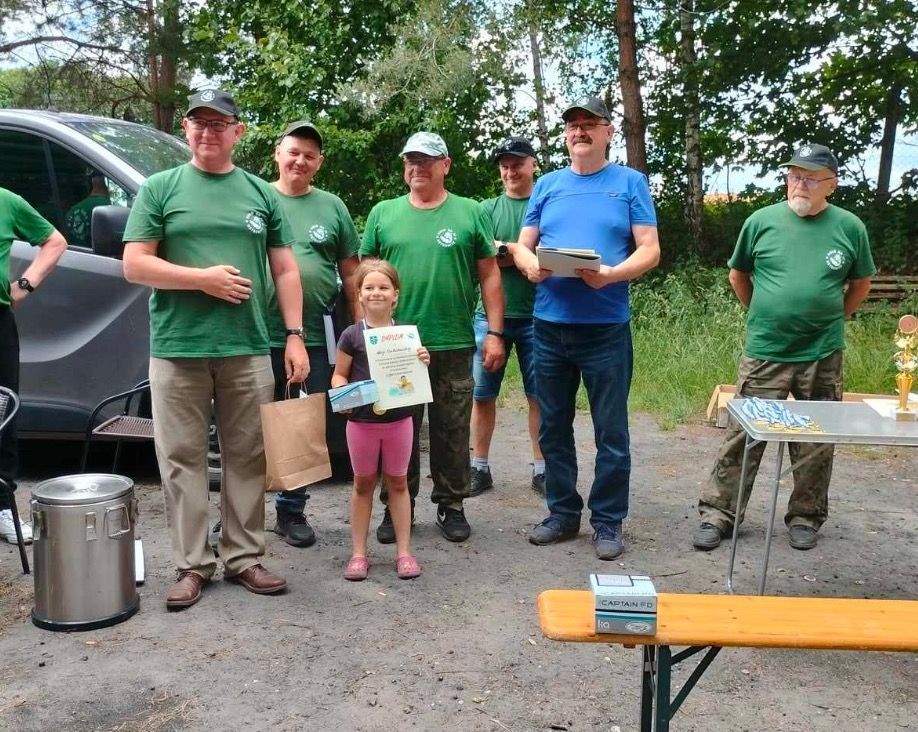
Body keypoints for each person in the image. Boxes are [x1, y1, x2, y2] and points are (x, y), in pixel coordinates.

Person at [122, 88, 308, 610]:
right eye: (198, 122)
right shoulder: (160, 188)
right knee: (180, 458)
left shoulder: (259, 193)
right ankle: (191, 565)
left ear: (237, 132)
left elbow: (286, 269)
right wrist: (200, 279)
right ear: (186, 129)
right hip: (178, 347)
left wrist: (294, 334)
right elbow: (135, 264)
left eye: (218, 123)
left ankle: (244, 557)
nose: (208, 131)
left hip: (247, 346)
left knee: (247, 455)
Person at [693, 143, 874, 552]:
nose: (800, 184)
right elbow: (738, 275)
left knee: (815, 439)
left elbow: (860, 284)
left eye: (810, 178)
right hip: (766, 350)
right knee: (744, 435)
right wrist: (763, 313)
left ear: (832, 184)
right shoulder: (761, 221)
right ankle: (718, 514)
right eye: (794, 176)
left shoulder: (849, 227)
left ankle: (806, 517)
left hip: (822, 352)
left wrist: (832, 317)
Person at [513, 96, 660, 560]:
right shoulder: (549, 185)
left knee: (610, 430)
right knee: (553, 426)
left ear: (608, 132)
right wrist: (530, 266)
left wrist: (612, 275)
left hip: (606, 328)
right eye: (573, 125)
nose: (580, 131)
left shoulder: (630, 183)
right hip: (549, 327)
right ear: (566, 135)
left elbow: (650, 249)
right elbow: (522, 244)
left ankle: (608, 521)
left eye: (590, 124)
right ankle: (561, 512)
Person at [360, 131, 505, 544]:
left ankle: (452, 502)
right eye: (411, 160)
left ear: (446, 165)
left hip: (453, 339)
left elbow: (490, 275)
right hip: (394, 345)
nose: (417, 167)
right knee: (397, 427)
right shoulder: (383, 213)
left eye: (426, 160)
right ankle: (395, 504)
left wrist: (494, 332)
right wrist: (364, 337)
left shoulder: (470, 212)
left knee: (452, 427)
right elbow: (365, 281)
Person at [266, 120, 360, 548]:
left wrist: (360, 335)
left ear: (318, 163)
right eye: (293, 151)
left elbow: (352, 274)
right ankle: (241, 513)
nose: (300, 160)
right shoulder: (257, 196)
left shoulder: (332, 207)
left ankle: (291, 510)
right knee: (245, 426)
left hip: (316, 335)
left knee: (302, 423)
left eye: (309, 155)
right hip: (254, 331)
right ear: (277, 153)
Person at [332, 259, 429, 580]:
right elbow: (339, 376)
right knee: (362, 484)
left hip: (400, 421)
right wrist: (342, 395)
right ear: (358, 295)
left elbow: (414, 377)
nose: (376, 293)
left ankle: (404, 553)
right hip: (361, 423)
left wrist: (422, 360)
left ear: (395, 295)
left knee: (399, 482)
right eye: (369, 287)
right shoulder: (350, 335)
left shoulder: (406, 336)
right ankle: (359, 554)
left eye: (383, 288)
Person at [469, 137, 544, 497]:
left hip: (539, 316)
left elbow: (547, 259)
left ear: (533, 165)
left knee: (539, 396)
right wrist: (520, 253)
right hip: (490, 318)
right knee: (482, 395)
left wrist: (506, 250)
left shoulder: (545, 203)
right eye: (505, 164)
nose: (510, 170)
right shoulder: (485, 209)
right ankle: (479, 467)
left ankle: (541, 469)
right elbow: (481, 259)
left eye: (518, 163)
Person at [0, 188, 67, 544]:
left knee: (3, 411)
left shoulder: (6, 201)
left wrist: (25, 284)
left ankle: (3, 509)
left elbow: (55, 241)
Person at [65, 171, 111, 247]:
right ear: (104, 183)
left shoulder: (71, 212)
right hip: (101, 256)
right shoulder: (107, 206)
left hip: (76, 254)